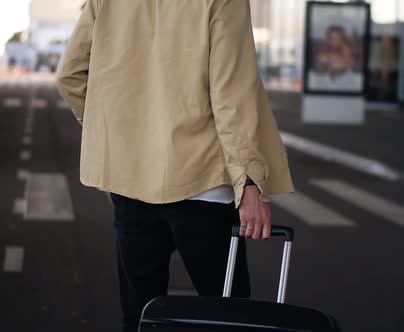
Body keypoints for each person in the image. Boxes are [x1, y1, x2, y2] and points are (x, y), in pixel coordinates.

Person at [55, 1, 295, 331]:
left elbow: (70, 75)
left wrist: (119, 136)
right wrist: (250, 183)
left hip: (131, 183)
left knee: (140, 316)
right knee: (229, 317)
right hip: (203, 184)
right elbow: (232, 97)